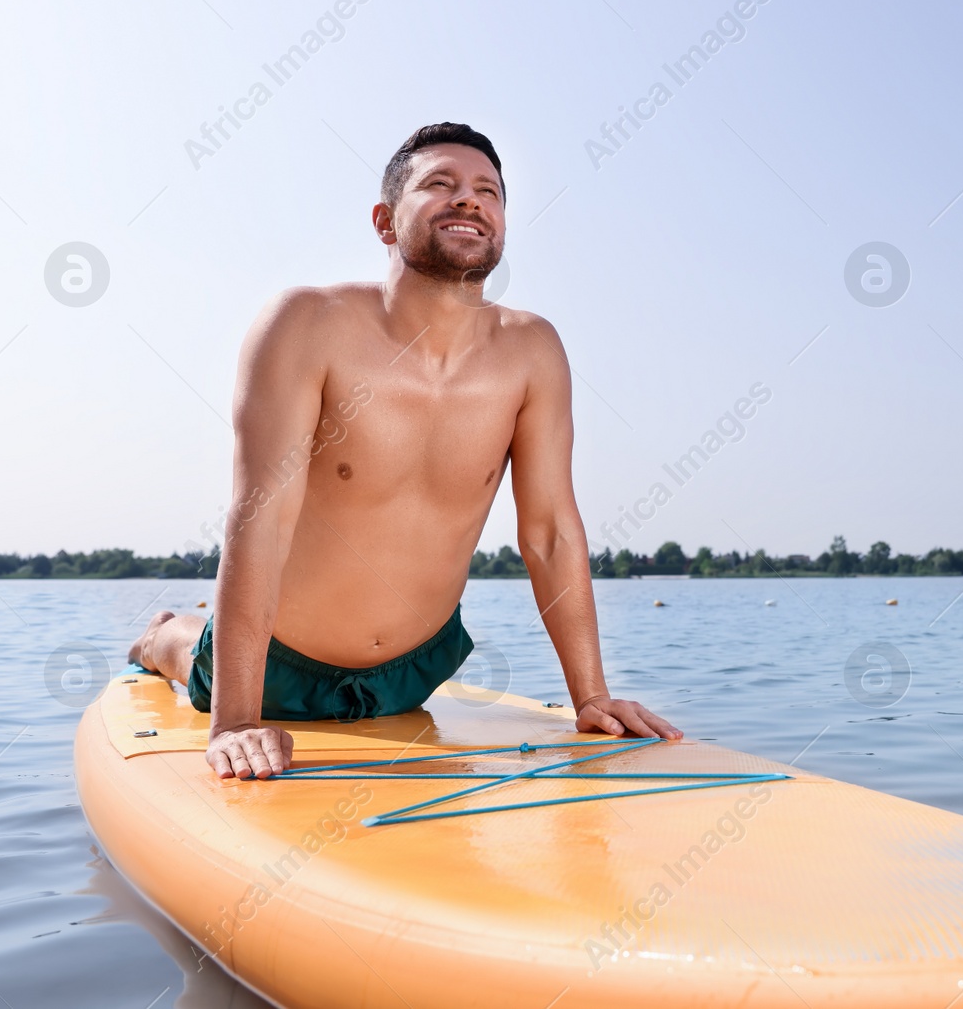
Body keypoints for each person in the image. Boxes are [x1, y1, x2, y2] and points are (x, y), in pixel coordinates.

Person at [128, 122, 680, 779]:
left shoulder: (533, 352)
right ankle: (165, 633)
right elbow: (262, 518)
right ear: (385, 221)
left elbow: (550, 531)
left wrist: (592, 696)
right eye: (439, 185)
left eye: (488, 192)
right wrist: (235, 722)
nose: (470, 200)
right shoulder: (307, 325)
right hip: (279, 662)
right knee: (187, 653)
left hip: (418, 670)